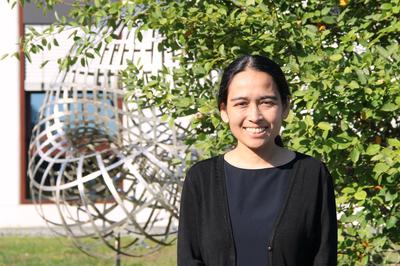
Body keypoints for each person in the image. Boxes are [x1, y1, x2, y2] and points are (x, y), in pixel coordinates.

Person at [177, 55, 337, 266]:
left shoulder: (312, 175)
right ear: (224, 111)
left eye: (266, 102)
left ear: (286, 106)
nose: (254, 115)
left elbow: (324, 257)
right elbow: (189, 259)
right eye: (241, 103)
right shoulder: (201, 179)